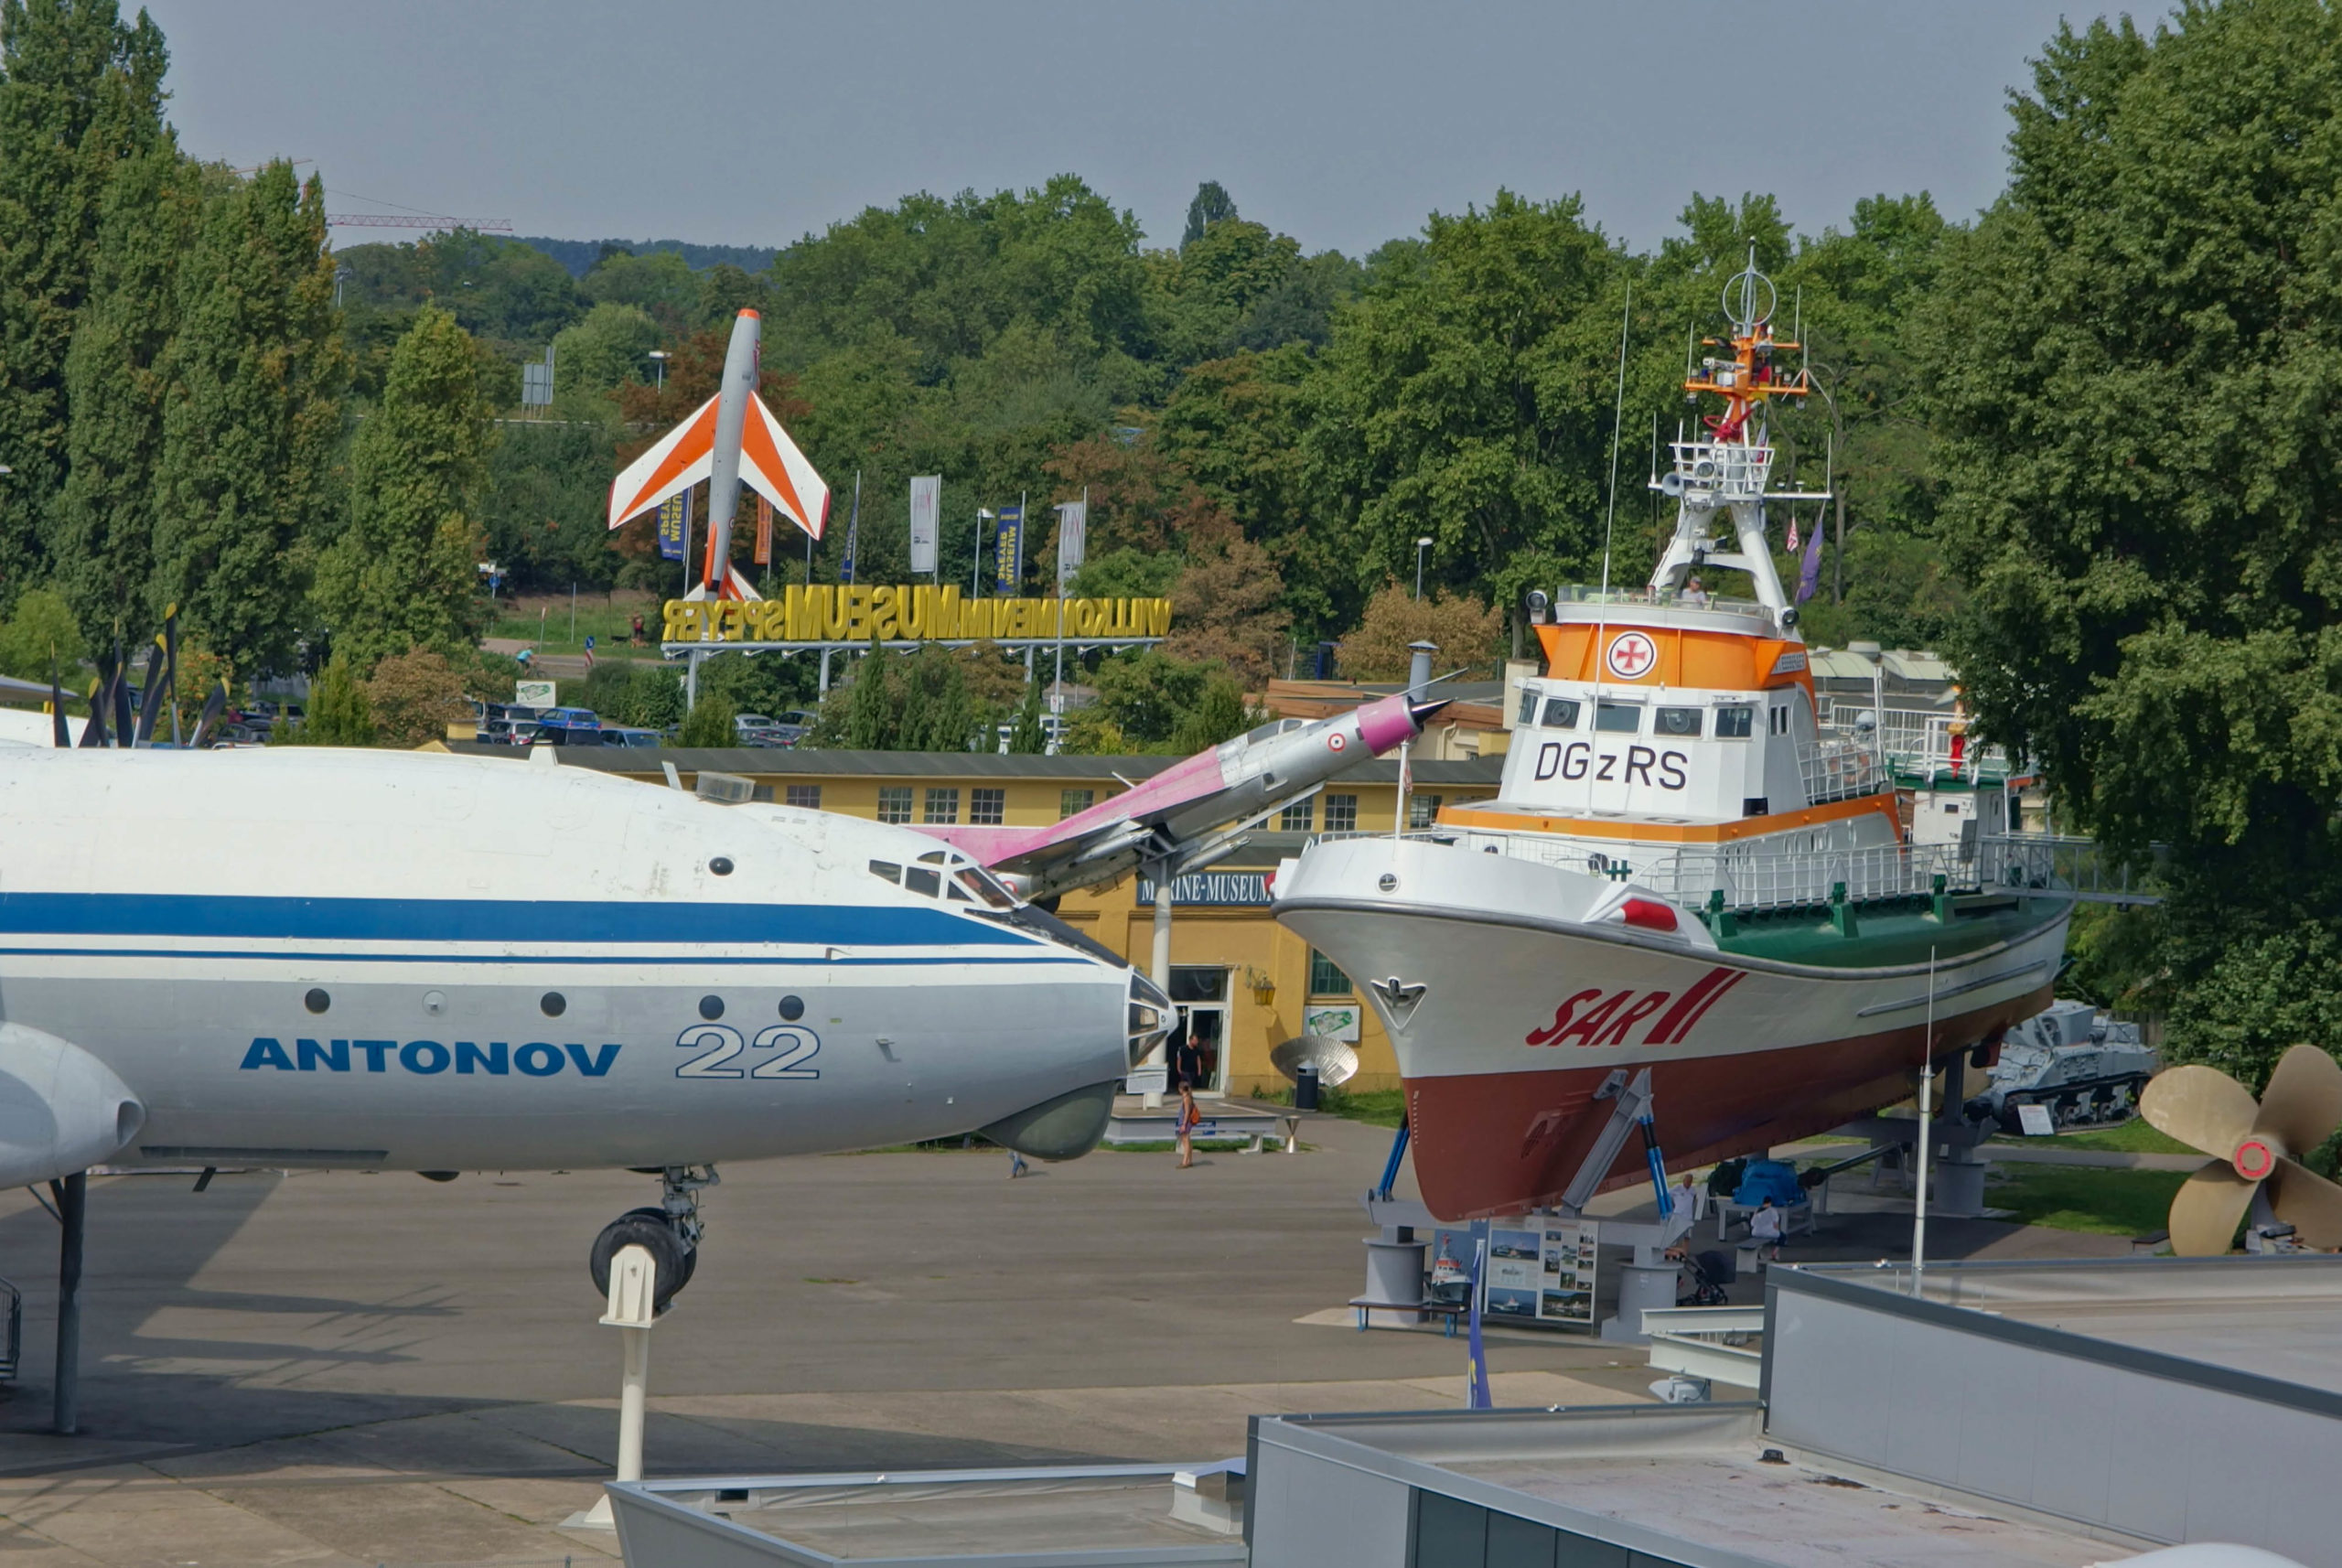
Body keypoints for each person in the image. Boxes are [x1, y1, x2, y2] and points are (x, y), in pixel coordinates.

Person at [1169, 1019, 1205, 1169]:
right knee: (1186, 1139)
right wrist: (1178, 1069)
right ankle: (1188, 1159)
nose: (1196, 1042)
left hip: (1186, 1121)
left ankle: (1186, 1161)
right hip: (1184, 1071)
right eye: (1195, 1040)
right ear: (1191, 1040)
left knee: (1185, 1139)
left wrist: (1184, 1123)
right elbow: (1179, 1059)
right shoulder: (1183, 1049)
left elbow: (1187, 1110)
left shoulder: (1186, 1099)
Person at [1750, 1196, 1785, 1265]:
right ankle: (1774, 1253)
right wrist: (1777, 1232)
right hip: (1769, 1232)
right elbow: (1776, 1224)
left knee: (1757, 1240)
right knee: (1783, 1236)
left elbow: (1752, 1223)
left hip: (1756, 1233)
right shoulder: (1772, 1210)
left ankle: (1758, 1253)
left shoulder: (1757, 1210)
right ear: (1770, 1203)